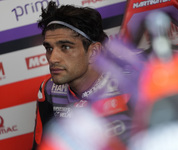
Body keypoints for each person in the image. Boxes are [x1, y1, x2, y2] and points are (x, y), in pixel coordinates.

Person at [32, 1, 136, 149]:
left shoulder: (129, 83)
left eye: (65, 47)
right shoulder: (49, 90)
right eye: (49, 48)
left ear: (93, 52)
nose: (53, 58)